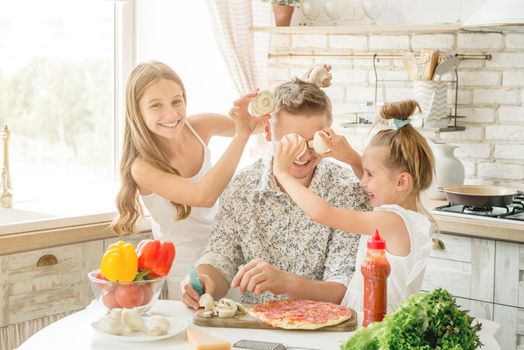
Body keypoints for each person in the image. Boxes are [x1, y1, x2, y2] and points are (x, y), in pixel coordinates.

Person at [180, 78, 370, 310]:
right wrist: (204, 279)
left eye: (313, 142)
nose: (302, 155)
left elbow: (343, 289)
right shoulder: (243, 186)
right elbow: (221, 256)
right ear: (268, 131)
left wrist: (286, 282)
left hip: (324, 329)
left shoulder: (347, 192)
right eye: (291, 142)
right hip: (257, 326)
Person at [111, 61, 263, 299]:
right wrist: (241, 137)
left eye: (176, 101)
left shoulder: (198, 127)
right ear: (137, 112)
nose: (171, 114)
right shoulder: (142, 167)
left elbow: (257, 125)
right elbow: (203, 196)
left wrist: (301, 88)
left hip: (228, 255)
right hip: (187, 272)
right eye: (156, 106)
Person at [273, 99, 434, 312]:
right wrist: (350, 157)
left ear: (402, 182)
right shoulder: (407, 216)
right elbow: (382, 181)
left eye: (370, 174)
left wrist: (282, 174)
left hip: (374, 320)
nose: (362, 181)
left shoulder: (391, 221)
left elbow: (324, 214)